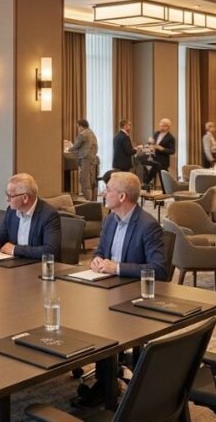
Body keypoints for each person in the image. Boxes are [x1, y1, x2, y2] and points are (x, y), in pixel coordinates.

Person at [75, 173, 168, 408]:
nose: (103, 193)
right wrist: (97, 260)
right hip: (106, 286)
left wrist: (116, 267)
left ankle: (106, 386)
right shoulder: (110, 220)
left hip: (134, 294)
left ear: (123, 196)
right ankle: (107, 377)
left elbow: (159, 270)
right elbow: (101, 251)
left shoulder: (148, 225)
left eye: (108, 190)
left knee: (102, 325)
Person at [0, 173, 61, 260]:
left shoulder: (49, 215)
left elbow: (51, 251)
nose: (7, 199)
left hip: (37, 267)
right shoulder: (11, 211)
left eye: (10, 196)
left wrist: (15, 249)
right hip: (14, 265)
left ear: (25, 198)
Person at [65, 119, 100, 201]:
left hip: (85, 158)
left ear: (80, 126)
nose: (78, 129)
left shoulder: (83, 134)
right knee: (91, 178)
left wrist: (68, 149)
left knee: (84, 179)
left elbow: (76, 146)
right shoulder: (91, 132)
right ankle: (92, 199)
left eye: (78, 127)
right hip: (92, 157)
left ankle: (88, 200)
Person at [144, 118, 176, 189]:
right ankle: (145, 185)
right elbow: (153, 143)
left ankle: (165, 192)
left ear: (168, 127)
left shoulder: (171, 138)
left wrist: (162, 148)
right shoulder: (157, 133)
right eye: (160, 125)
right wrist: (149, 144)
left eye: (163, 126)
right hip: (154, 158)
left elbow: (172, 151)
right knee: (150, 172)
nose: (161, 127)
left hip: (163, 161)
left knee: (163, 178)